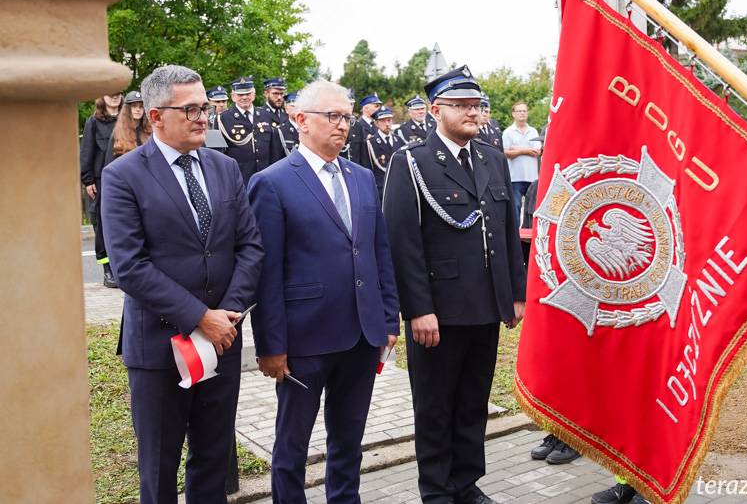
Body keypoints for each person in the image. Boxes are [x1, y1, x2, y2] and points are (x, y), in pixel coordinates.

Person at [100, 65, 264, 504]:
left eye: (205, 107)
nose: (202, 117)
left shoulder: (225, 167)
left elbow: (249, 247)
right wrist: (199, 317)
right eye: (190, 109)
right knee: (159, 466)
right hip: (158, 348)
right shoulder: (123, 176)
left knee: (213, 463)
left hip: (222, 341)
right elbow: (130, 267)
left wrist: (226, 314)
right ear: (156, 117)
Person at [248, 80, 400, 504]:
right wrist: (271, 345)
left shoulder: (363, 178)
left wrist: (389, 318)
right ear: (300, 120)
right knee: (292, 445)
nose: (342, 125)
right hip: (305, 339)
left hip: (362, 333)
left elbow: (377, 252)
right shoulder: (272, 182)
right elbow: (267, 272)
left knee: (348, 442)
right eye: (332, 116)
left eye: (346, 116)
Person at [383, 65, 526, 504]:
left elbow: (506, 232)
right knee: (435, 405)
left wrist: (516, 294)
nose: (472, 112)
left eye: (476, 105)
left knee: (473, 401)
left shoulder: (489, 156)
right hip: (439, 310)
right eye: (460, 105)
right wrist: (417, 309)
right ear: (435, 110)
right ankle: (437, 490)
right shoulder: (411, 161)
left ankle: (466, 483)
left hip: (485, 304)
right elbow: (402, 243)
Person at [80, 91, 122, 288]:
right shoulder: (94, 122)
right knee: (102, 227)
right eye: (110, 94)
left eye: (118, 94)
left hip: (126, 178)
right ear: (102, 97)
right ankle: (107, 270)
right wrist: (88, 180)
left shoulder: (127, 119)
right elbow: (87, 151)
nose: (114, 97)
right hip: (100, 180)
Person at [217, 76, 285, 184]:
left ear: (253, 94)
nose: (244, 97)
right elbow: (218, 156)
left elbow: (275, 152)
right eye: (240, 94)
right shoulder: (222, 119)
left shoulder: (266, 115)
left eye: (248, 93)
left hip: (265, 180)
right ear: (233, 96)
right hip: (238, 181)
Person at [502, 101, 540, 224]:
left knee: (531, 208)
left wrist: (516, 149)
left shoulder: (533, 131)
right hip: (515, 177)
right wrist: (526, 149)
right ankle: (516, 236)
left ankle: (530, 234)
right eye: (519, 111)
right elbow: (506, 153)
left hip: (532, 177)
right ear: (513, 114)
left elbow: (537, 151)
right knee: (516, 207)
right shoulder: (508, 132)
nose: (522, 113)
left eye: (524, 111)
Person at [365, 106, 406, 199]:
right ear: (376, 123)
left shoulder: (399, 140)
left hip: (399, 186)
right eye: (383, 121)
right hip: (381, 189)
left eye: (389, 120)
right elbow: (368, 168)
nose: (387, 124)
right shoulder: (371, 142)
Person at [105, 90, 151, 165]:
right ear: (127, 109)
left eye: (141, 106)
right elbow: (110, 164)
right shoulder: (118, 134)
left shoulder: (149, 132)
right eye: (134, 106)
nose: (138, 109)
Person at [343, 93, 381, 168]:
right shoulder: (359, 125)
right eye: (376, 106)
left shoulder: (358, 126)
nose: (379, 109)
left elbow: (363, 155)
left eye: (352, 104)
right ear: (366, 108)